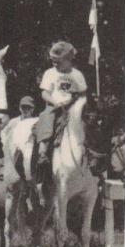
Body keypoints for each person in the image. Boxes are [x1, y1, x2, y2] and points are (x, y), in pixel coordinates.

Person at [34, 41, 87, 188]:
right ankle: (43, 151)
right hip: (54, 107)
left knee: (88, 125)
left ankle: (92, 156)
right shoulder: (50, 73)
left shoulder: (78, 75)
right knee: (46, 117)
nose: (54, 63)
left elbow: (83, 94)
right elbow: (44, 92)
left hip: (74, 108)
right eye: (53, 61)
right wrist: (54, 101)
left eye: (58, 61)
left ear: (69, 60)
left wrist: (78, 105)